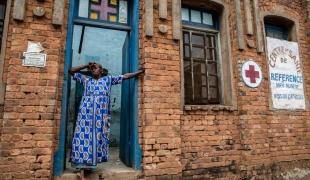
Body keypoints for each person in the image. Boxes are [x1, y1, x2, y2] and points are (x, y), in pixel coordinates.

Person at [68, 62, 144, 180]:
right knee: (83, 139)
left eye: (96, 67)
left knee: (97, 139)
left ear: (101, 70)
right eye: (92, 68)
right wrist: (86, 65)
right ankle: (81, 171)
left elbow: (125, 76)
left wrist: (139, 72)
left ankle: (88, 166)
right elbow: (71, 71)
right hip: (86, 116)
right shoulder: (86, 80)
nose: (93, 69)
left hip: (100, 117)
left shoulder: (108, 80)